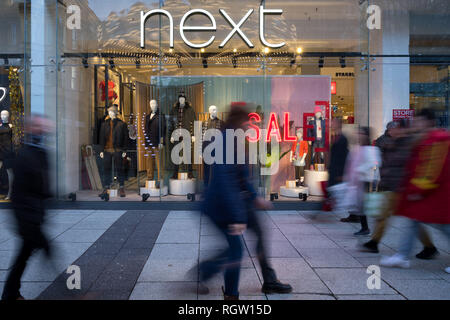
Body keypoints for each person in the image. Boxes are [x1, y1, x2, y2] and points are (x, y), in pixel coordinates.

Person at [199, 105, 290, 300]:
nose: (251, 126)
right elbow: (224, 180)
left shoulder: (236, 140)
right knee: (234, 250)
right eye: (247, 122)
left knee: (258, 234)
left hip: (238, 201)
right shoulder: (226, 141)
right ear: (238, 122)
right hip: (224, 204)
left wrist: (254, 196)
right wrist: (236, 217)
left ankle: (269, 281)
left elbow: (240, 175)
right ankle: (216, 282)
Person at [380, 109, 450, 270]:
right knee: (414, 221)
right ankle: (402, 256)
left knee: (444, 225)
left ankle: (403, 256)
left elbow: (433, 169)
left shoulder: (437, 139)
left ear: (428, 122)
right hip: (428, 191)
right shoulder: (426, 139)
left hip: (435, 192)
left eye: (419, 121)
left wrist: (418, 190)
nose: (416, 124)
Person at [361, 119, 437, 257]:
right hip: (392, 185)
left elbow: (405, 166)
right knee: (411, 219)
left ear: (401, 129)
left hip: (399, 187)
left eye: (394, 129)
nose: (391, 131)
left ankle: (374, 243)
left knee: (387, 216)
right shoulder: (393, 143)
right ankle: (429, 247)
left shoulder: (408, 144)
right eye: (390, 129)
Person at [1, 115, 54, 300]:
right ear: (32, 130)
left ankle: (10, 293)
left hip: (33, 215)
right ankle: (71, 291)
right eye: (40, 127)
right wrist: (29, 217)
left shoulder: (41, 153)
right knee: (44, 253)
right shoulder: (25, 155)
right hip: (27, 217)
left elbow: (43, 185)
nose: (45, 131)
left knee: (24, 256)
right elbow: (20, 192)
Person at [342, 127, 380, 235]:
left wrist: (358, 170)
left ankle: (366, 228)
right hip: (358, 180)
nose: (359, 136)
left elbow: (373, 163)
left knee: (362, 204)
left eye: (361, 134)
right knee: (360, 204)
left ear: (367, 136)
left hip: (365, 180)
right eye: (358, 133)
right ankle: (364, 227)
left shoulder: (371, 149)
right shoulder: (359, 148)